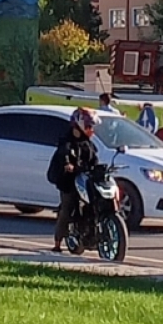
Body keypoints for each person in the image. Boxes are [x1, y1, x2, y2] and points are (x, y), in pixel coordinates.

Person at [51, 108, 99, 253]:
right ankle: (58, 242)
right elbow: (64, 153)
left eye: (92, 126)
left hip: (85, 179)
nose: (91, 129)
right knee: (67, 207)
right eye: (89, 126)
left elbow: (94, 159)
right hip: (68, 181)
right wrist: (68, 165)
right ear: (79, 125)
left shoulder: (88, 143)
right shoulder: (67, 141)